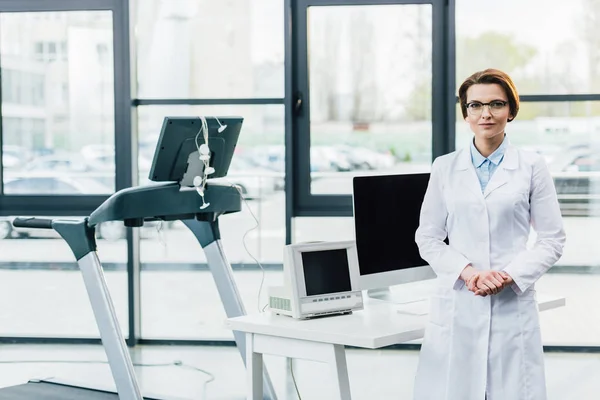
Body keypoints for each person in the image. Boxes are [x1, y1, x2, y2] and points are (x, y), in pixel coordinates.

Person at [413, 68, 566, 400]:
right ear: (465, 113)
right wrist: (467, 273)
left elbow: (553, 239)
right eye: (475, 105)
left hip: (511, 301)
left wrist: (507, 275)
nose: (486, 113)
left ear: (510, 110)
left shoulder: (532, 166)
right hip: (458, 302)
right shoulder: (444, 167)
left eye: (496, 104)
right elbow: (427, 236)